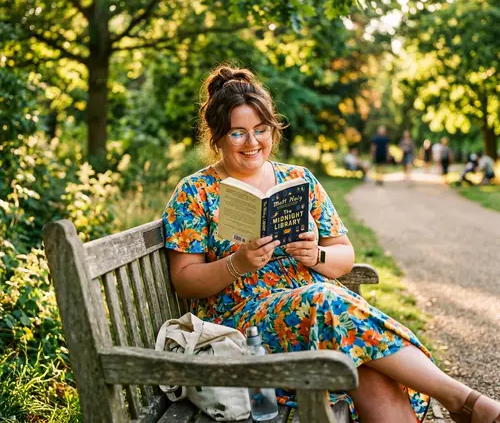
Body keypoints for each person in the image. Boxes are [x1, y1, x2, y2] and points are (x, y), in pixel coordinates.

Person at [163, 64, 500, 423]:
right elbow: (184, 279)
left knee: (369, 370)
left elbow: (344, 255)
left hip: (322, 315)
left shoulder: (298, 179)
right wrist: (238, 263)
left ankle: (464, 404)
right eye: (238, 134)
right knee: (327, 303)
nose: (253, 143)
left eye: (261, 130)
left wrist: (317, 254)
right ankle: (460, 399)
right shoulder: (195, 191)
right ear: (217, 137)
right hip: (246, 325)